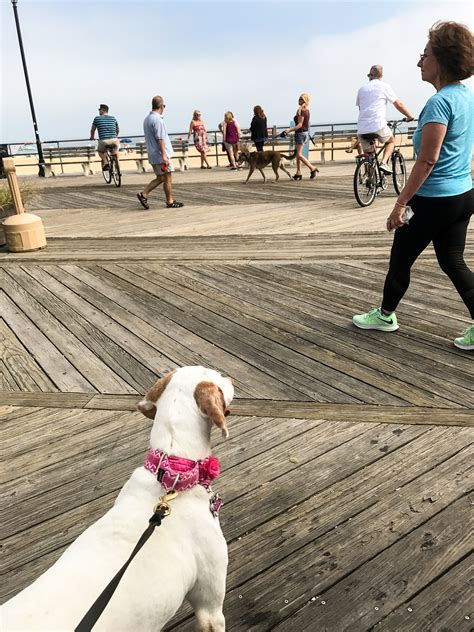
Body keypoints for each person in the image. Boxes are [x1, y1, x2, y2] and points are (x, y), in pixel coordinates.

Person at [353, 21, 473, 351]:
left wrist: (399, 204)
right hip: (462, 196)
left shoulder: (439, 103)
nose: (420, 62)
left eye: (425, 55)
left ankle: (386, 316)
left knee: (400, 260)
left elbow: (427, 160)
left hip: (433, 200)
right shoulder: (466, 97)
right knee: (452, 261)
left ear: (443, 59)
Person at [356, 65, 414, 173]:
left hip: (362, 128)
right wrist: (409, 116)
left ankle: (370, 179)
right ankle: (384, 163)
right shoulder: (384, 86)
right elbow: (398, 104)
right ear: (381, 75)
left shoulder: (361, 89)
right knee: (391, 141)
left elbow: (361, 108)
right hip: (378, 125)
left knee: (369, 156)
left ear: (371, 75)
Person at [137, 95, 184, 210]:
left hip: (153, 153)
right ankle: (169, 201)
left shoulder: (147, 119)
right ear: (161, 106)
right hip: (160, 155)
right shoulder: (158, 120)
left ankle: (144, 195)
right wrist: (164, 155)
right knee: (167, 178)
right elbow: (160, 138)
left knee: (161, 178)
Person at [284, 93, 318, 180]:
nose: (299, 100)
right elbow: (306, 124)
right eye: (299, 98)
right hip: (304, 133)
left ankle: (312, 168)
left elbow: (299, 125)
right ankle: (298, 172)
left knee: (298, 154)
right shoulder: (306, 110)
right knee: (299, 153)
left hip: (301, 134)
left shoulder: (302, 111)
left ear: (305, 100)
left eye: (301, 99)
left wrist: (289, 130)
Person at [90, 104, 120, 172]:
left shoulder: (97, 118)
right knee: (116, 153)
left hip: (104, 141)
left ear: (103, 110)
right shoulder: (113, 118)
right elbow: (118, 129)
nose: (99, 111)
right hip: (114, 140)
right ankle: (117, 168)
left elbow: (93, 129)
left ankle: (105, 161)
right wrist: (115, 136)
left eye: (99, 110)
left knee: (100, 152)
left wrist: (92, 137)